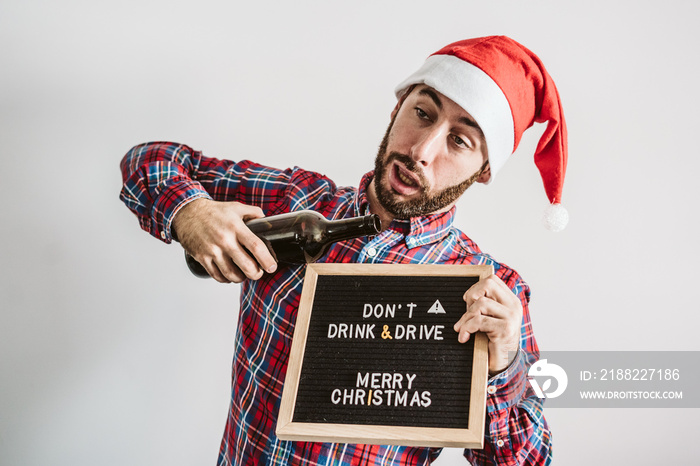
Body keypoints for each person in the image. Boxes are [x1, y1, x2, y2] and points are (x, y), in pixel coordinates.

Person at [120, 35, 567, 465]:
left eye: (460, 140)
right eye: (423, 114)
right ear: (396, 109)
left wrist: (502, 367)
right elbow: (151, 158)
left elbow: (527, 461)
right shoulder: (294, 202)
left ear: (485, 170)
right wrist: (190, 212)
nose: (422, 151)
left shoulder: (488, 291)